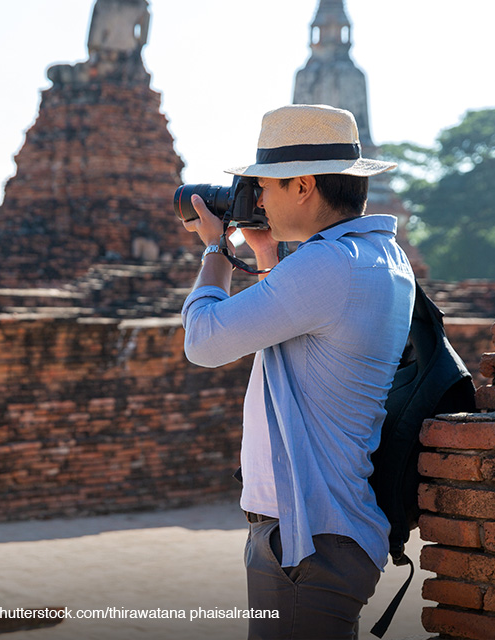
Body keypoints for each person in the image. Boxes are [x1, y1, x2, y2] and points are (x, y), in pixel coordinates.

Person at [180, 104, 415, 639]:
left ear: (304, 185)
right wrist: (265, 256)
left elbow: (204, 341)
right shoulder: (374, 255)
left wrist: (216, 251)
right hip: (328, 530)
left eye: (265, 185)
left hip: (307, 541)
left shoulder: (330, 264)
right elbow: (303, 327)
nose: (256, 199)